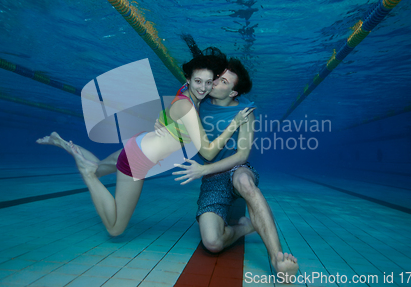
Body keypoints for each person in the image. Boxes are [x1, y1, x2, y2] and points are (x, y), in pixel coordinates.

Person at [36, 51, 254, 237]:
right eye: (199, 82)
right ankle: (86, 173)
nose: (205, 87)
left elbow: (178, 106)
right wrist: (233, 124)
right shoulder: (188, 108)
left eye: (210, 82)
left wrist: (164, 118)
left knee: (99, 167)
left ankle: (63, 143)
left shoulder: (185, 93)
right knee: (115, 228)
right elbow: (207, 153)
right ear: (188, 79)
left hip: (138, 145)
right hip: (137, 160)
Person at [160, 57, 299, 282]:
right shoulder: (198, 102)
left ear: (233, 92)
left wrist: (203, 170)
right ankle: (246, 227)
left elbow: (242, 155)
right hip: (213, 179)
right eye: (217, 77)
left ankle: (277, 259)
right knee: (212, 243)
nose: (214, 83)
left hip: (237, 169)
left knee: (245, 181)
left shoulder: (245, 112)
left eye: (223, 81)